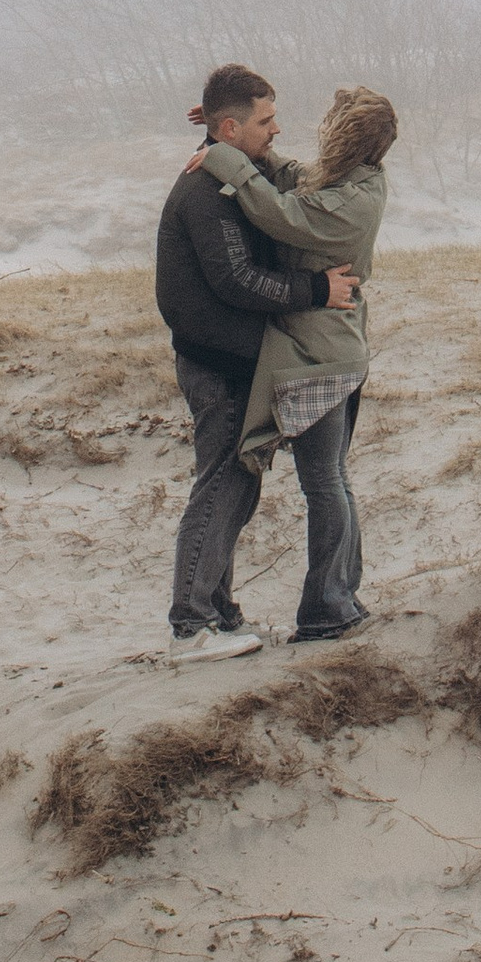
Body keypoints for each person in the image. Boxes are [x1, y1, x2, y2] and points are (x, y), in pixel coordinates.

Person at [154, 63, 360, 664]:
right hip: (216, 367)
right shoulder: (204, 191)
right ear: (230, 128)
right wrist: (317, 290)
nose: (276, 129)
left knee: (235, 487)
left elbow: (273, 175)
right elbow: (237, 280)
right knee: (223, 485)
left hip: (236, 361)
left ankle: (218, 614)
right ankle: (192, 626)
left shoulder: (234, 168)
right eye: (265, 120)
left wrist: (225, 131)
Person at [192, 84, 397, 647]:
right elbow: (293, 176)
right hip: (328, 349)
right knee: (332, 478)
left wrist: (224, 153)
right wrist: (228, 126)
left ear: (347, 136)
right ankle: (339, 601)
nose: (321, 128)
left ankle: (330, 607)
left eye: (333, 122)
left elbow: (281, 213)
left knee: (324, 481)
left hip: (321, 354)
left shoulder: (351, 201)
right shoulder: (352, 179)